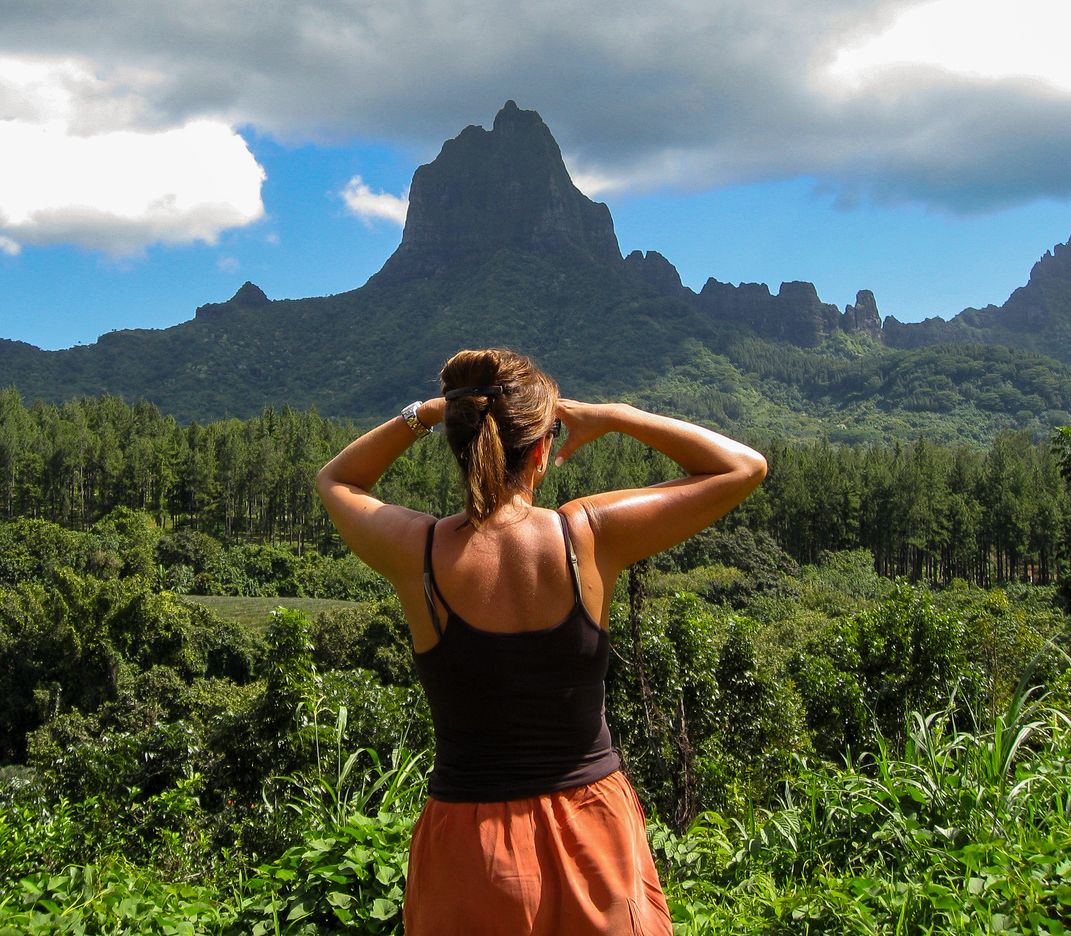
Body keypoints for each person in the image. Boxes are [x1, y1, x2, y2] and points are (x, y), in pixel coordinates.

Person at [315, 348, 767, 935]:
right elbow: (743, 467)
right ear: (542, 450)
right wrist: (617, 415)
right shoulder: (589, 535)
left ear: (459, 442)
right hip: (592, 834)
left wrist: (423, 415)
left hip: (468, 847)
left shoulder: (417, 551)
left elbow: (336, 479)